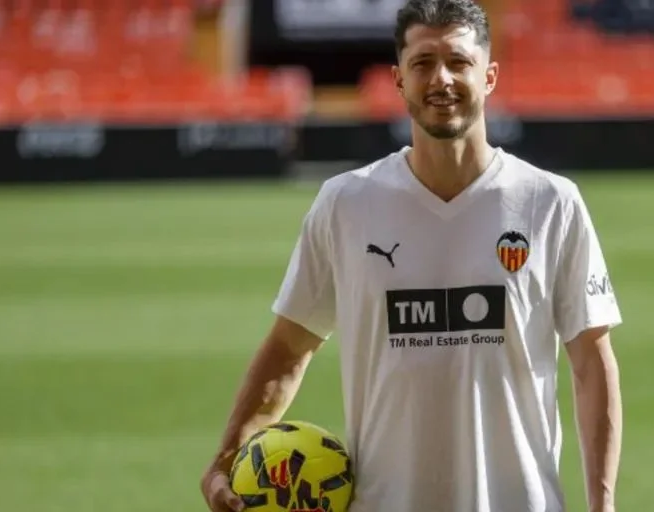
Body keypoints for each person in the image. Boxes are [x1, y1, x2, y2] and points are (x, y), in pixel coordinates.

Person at [199, 1, 623, 511]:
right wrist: (226, 459)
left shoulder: (550, 202)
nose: (440, 78)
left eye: (458, 62)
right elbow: (288, 348)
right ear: (399, 80)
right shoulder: (346, 203)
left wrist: (603, 505)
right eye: (422, 63)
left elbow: (592, 365)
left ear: (489, 76)